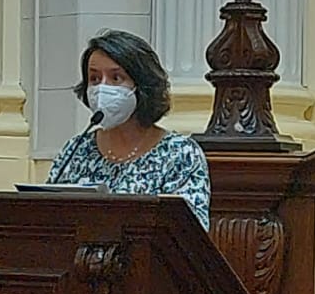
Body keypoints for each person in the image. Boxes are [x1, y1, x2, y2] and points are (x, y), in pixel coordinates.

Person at [47, 29, 211, 230]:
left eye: (116, 78)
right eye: (95, 79)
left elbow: (191, 235)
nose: (102, 89)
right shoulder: (76, 150)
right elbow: (49, 220)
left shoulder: (179, 154)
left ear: (142, 86)